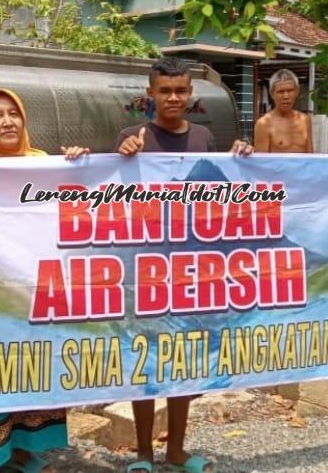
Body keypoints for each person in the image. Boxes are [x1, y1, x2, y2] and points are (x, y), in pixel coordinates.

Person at [116, 56, 252, 473]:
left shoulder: (204, 139)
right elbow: (109, 194)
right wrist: (120, 156)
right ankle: (143, 454)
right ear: (150, 94)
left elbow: (220, 193)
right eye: (165, 91)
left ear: (190, 95)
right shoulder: (130, 138)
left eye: (180, 91)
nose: (172, 97)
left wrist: (242, 158)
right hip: (145, 271)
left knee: (183, 364)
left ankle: (176, 451)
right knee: (146, 362)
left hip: (192, 273)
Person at [0, 88, 88, 473]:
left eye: (13, 114)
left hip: (32, 295)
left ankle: (23, 450)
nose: (7, 122)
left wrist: (77, 165)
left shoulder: (43, 164)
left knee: (27, 370)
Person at [253, 69, 314, 153]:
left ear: (297, 91)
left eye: (290, 91)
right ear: (272, 94)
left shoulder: (305, 120)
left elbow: (311, 157)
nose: (286, 96)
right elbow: (261, 163)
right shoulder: (264, 124)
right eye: (281, 92)